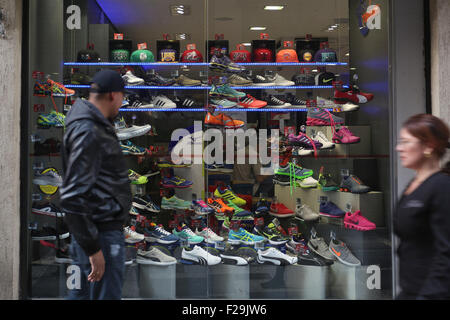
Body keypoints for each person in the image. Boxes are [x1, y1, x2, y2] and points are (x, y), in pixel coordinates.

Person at [60, 69, 132, 300]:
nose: (123, 102)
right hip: (100, 234)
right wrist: (93, 249)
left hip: (94, 232)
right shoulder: (89, 130)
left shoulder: (90, 125)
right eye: (123, 96)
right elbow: (72, 195)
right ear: (113, 95)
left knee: (80, 296)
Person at [394, 113, 450, 300]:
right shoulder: (413, 185)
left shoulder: (442, 187)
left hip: (432, 293)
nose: (398, 148)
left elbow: (446, 252)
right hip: (410, 290)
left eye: (405, 142)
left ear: (428, 146)